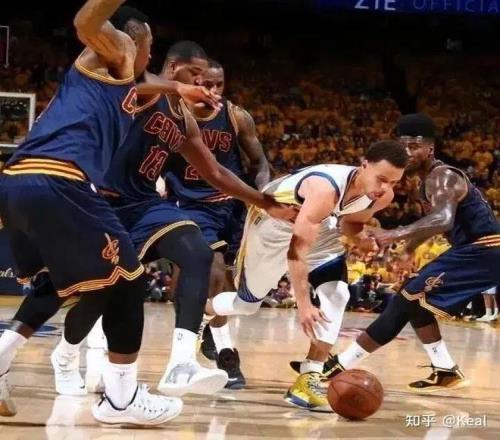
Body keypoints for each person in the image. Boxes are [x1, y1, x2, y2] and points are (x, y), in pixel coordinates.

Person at [52, 42, 289, 398]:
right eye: (198, 77)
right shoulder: (147, 93)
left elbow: (215, 171)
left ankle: (182, 364)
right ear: (175, 68)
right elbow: (128, 84)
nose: (204, 87)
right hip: (106, 203)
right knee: (99, 296)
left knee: (198, 254)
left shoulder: (190, 119)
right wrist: (176, 87)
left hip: (149, 204)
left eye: (211, 82)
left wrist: (264, 201)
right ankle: (66, 354)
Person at [0, 0, 186, 426]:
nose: (150, 54)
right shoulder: (115, 51)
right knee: (128, 281)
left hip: (16, 180)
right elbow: (87, 21)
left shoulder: (113, 81)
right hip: (59, 179)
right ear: (131, 40)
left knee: (57, 283)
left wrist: (177, 89)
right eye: (150, 45)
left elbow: (144, 86)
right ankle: (121, 399)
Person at [204, 140, 409, 411]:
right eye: (381, 179)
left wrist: (361, 239)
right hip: (273, 224)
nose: (385, 188)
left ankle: (309, 377)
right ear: (363, 166)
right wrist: (303, 304)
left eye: (394, 182)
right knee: (247, 305)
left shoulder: (382, 196)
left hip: (318, 225)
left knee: (338, 294)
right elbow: (296, 252)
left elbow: (351, 222)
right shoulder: (325, 189)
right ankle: (205, 311)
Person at [326, 113, 500, 393]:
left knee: (405, 300)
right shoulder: (424, 181)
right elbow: (436, 224)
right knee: (417, 303)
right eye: (402, 146)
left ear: (430, 149)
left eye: (414, 146)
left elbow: (443, 219)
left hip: (484, 249)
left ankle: (340, 365)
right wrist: (409, 248)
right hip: (475, 250)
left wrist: (393, 234)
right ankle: (445, 370)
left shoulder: (442, 176)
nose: (407, 152)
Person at [165, 59, 271, 389]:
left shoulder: (237, 116)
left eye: (219, 84)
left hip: (232, 207)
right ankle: (227, 355)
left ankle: (208, 328)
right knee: (210, 271)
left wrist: (264, 192)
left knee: (218, 285)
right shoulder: (172, 115)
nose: (213, 91)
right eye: (206, 84)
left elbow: (259, 162)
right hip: (189, 206)